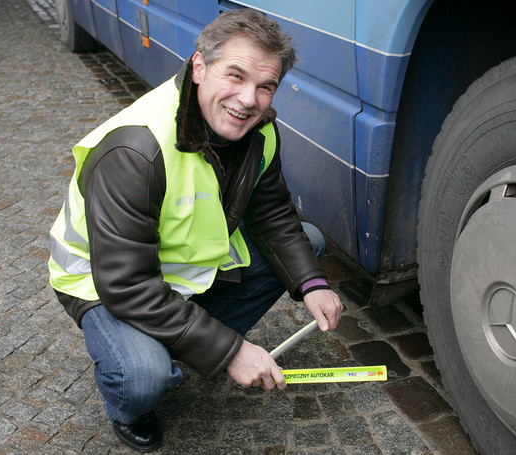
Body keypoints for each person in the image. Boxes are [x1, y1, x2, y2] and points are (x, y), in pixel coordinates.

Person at [48, 8, 343, 452]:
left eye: (266, 86)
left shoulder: (258, 130)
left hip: (174, 271)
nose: (249, 100)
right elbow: (126, 283)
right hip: (104, 283)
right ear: (199, 67)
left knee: (310, 246)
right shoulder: (137, 148)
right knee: (144, 377)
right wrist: (230, 351)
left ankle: (186, 341)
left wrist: (312, 283)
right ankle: (129, 401)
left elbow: (274, 214)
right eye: (236, 76)